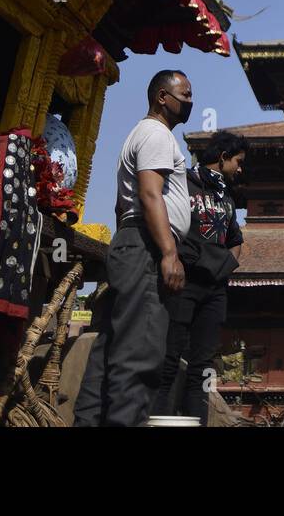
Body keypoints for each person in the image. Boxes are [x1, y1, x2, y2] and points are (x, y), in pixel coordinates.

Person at [74, 70, 194, 426]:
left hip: (132, 241)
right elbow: (149, 194)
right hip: (148, 247)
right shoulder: (156, 134)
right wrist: (169, 252)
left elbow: (120, 206)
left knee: (111, 348)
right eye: (184, 95)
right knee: (139, 352)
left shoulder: (140, 134)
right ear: (161, 97)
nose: (189, 102)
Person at [156, 130, 247, 424]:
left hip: (214, 288)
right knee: (169, 359)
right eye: (238, 161)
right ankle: (158, 419)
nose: (240, 169)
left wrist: (224, 266)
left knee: (202, 366)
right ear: (222, 158)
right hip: (185, 280)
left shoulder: (227, 196)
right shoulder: (183, 182)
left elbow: (236, 238)